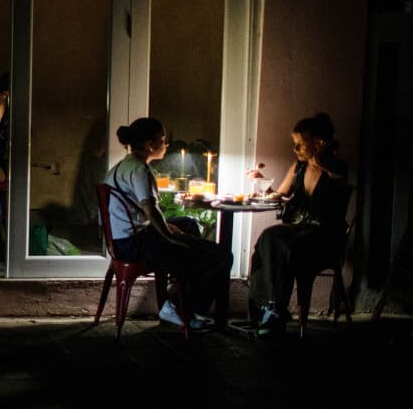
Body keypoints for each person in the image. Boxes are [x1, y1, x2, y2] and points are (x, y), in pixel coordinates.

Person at [103, 117, 232, 330]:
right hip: (135, 244)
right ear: (149, 144)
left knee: (188, 223)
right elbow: (150, 209)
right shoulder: (140, 170)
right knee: (220, 255)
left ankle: (183, 286)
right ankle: (178, 306)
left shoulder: (123, 165)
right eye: (162, 139)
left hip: (124, 238)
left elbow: (145, 213)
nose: (166, 144)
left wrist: (168, 228)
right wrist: (168, 235)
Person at [248, 113, 349, 337]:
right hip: (297, 227)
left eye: (299, 145)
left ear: (319, 143)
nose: (295, 150)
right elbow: (279, 194)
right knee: (268, 238)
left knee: (285, 247)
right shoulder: (298, 167)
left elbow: (339, 179)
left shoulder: (338, 168)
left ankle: (274, 308)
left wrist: (323, 165)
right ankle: (269, 306)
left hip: (324, 234)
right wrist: (261, 181)